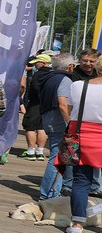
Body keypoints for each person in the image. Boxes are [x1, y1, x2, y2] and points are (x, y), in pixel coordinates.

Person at [65, 70, 102, 233]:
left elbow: (71, 111)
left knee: (81, 180)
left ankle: (77, 225)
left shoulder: (78, 86)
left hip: (81, 135)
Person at [37, 53, 76, 202]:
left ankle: (49, 192)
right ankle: (49, 195)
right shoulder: (64, 80)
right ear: (69, 66)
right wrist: (70, 123)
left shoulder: (49, 77)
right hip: (59, 122)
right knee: (58, 158)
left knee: (57, 156)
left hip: (48, 119)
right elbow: (62, 103)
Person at [20, 55, 52, 160]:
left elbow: (34, 88)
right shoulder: (53, 74)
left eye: (36, 62)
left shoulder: (38, 74)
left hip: (35, 104)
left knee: (30, 126)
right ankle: (40, 151)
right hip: (47, 105)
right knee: (42, 127)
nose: (34, 64)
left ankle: (31, 151)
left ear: (43, 63)